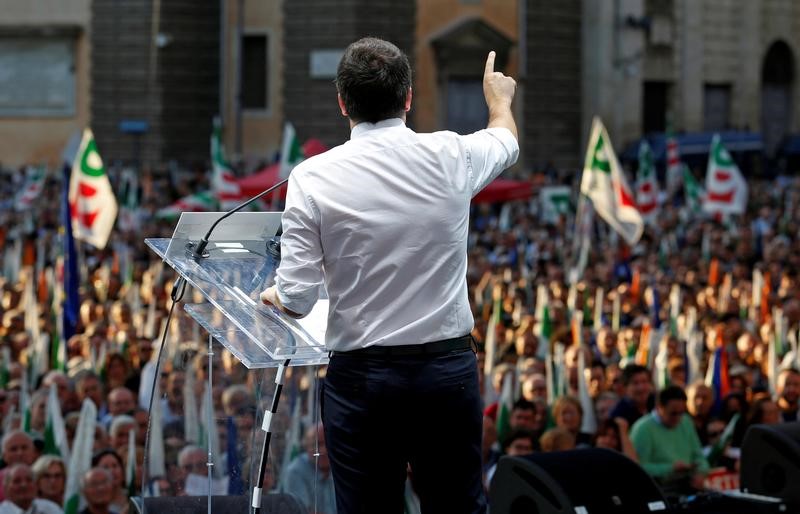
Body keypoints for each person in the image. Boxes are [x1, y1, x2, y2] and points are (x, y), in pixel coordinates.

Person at [261, 37, 518, 513]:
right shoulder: (450, 155)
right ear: (408, 98)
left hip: (363, 381)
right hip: (445, 373)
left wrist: (271, 296)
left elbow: (296, 299)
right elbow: (505, 140)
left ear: (342, 103)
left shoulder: (312, 177)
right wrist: (498, 100)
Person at [630, 386, 709, 495]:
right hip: (658, 491)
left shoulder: (686, 421)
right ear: (659, 407)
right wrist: (670, 468)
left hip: (688, 486)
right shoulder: (642, 429)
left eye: (681, 413)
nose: (678, 418)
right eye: (673, 413)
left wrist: (701, 472)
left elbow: (699, 456)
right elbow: (637, 468)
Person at [282, 424, 336, 514]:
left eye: (328, 443)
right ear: (307, 447)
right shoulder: (295, 472)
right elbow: (303, 511)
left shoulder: (340, 468)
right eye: (318, 444)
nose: (324, 450)